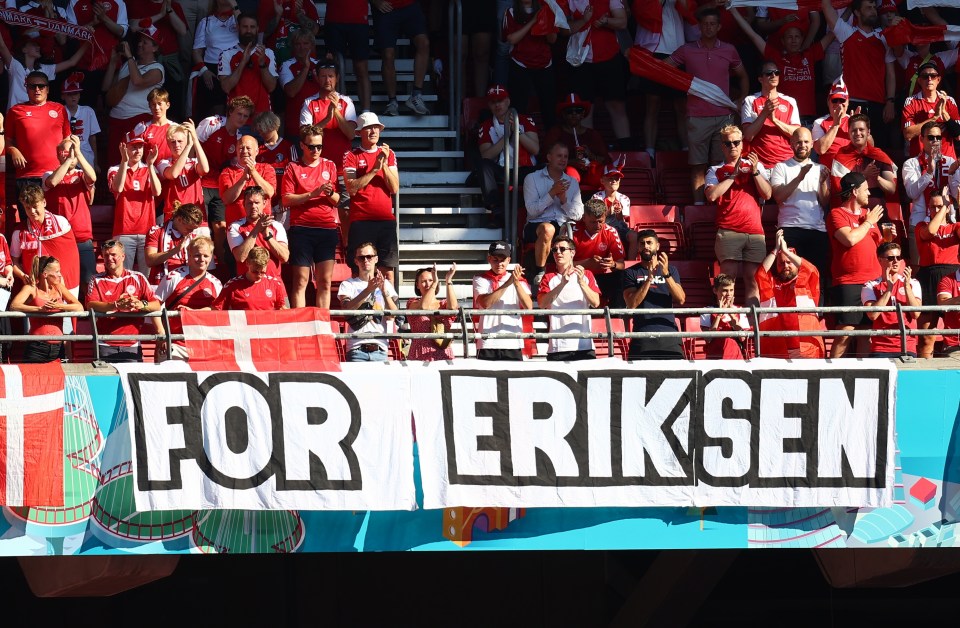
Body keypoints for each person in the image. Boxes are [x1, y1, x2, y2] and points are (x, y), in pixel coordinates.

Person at [666, 8, 748, 203]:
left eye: (712, 24)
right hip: (697, 116)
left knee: (721, 164)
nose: (708, 27)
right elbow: (664, 68)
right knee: (697, 165)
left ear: (719, 26)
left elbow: (743, 76)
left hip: (723, 116)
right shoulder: (687, 49)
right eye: (705, 24)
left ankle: (719, 207)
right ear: (699, 27)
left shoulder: (729, 49)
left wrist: (741, 99)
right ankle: (699, 206)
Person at [704, 125, 773, 305]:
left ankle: (753, 326)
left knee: (753, 280)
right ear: (722, 146)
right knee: (728, 281)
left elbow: (767, 194)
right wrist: (732, 176)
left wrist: (755, 171)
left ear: (742, 144)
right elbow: (711, 195)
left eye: (736, 142)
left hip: (755, 231)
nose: (732, 146)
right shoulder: (715, 170)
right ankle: (725, 323)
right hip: (729, 230)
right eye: (728, 143)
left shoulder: (756, 166)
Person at [729, 7, 833, 125]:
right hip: (784, 117)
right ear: (782, 41)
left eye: (797, 37)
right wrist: (732, 9)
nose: (793, 40)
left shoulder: (810, 55)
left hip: (807, 119)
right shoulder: (776, 57)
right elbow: (753, 35)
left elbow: (835, 31)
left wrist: (849, 8)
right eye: (789, 37)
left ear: (802, 39)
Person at [826, 172, 891, 358]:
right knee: (845, 331)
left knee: (866, 333)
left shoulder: (867, 215)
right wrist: (869, 222)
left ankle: (862, 374)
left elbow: (881, 246)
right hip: (849, 281)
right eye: (865, 190)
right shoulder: (836, 213)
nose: (869, 194)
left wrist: (889, 237)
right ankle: (833, 373)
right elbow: (849, 239)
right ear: (854, 192)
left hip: (872, 280)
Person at [821, 0, 898, 148]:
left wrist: (890, 101)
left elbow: (891, 74)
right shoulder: (846, 32)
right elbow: (826, 6)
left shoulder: (884, 37)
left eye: (874, 7)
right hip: (852, 104)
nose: (873, 11)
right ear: (857, 12)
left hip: (878, 105)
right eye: (868, 8)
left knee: (877, 151)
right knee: (851, 149)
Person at [557, 0, 631, 151]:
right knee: (584, 110)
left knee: (616, 106)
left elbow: (622, 22)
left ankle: (626, 153)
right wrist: (584, 20)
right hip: (579, 60)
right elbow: (563, 30)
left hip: (609, 57)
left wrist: (606, 21)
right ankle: (587, 154)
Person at [282, 123, 341, 309]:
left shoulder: (329, 165)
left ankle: (322, 324)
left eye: (319, 146)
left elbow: (338, 200)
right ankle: (300, 326)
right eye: (311, 146)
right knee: (301, 281)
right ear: (302, 145)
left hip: (326, 229)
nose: (316, 150)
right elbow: (286, 199)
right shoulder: (293, 167)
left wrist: (330, 193)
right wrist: (312, 194)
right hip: (302, 229)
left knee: (325, 281)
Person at [769, 127, 831, 299]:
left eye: (806, 142)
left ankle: (816, 317)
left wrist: (823, 183)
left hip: (816, 230)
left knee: (817, 276)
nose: (802, 145)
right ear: (791, 144)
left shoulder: (821, 168)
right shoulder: (781, 167)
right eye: (798, 142)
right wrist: (799, 177)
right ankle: (791, 318)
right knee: (789, 276)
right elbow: (779, 197)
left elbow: (825, 201)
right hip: (790, 229)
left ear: (812, 144)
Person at [196, 95, 253, 265]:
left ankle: (220, 263)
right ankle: (201, 262)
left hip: (219, 185)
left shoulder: (239, 138)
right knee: (200, 226)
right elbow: (193, 145)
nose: (242, 119)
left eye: (245, 116)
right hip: (200, 181)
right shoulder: (212, 123)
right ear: (229, 112)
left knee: (220, 227)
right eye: (239, 114)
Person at [344, 112, 400, 284]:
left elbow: (395, 187)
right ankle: (361, 309)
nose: (373, 131)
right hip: (361, 220)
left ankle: (388, 310)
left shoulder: (388, 154)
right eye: (368, 128)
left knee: (387, 273)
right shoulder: (351, 155)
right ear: (360, 132)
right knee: (360, 271)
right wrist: (374, 169)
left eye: (376, 127)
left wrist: (383, 165)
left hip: (385, 221)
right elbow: (351, 188)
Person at [85, 239, 161, 362]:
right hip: (105, 344)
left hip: (132, 345)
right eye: (106, 255)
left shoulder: (138, 277)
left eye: (113, 254)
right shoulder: (96, 279)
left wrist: (141, 304)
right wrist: (115, 305)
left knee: (130, 381)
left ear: (123, 256)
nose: (109, 258)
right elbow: (90, 305)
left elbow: (156, 305)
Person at [755, 229, 825, 359]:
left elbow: (811, 269)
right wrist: (776, 249)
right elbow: (760, 274)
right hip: (777, 349)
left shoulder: (806, 284)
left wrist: (786, 251)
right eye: (781, 263)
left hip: (807, 347)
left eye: (789, 262)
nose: (786, 266)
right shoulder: (770, 286)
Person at [474, 84, 539, 224]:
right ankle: (496, 210)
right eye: (493, 102)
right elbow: (486, 155)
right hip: (503, 170)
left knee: (547, 168)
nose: (497, 105)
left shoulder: (524, 120)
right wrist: (506, 136)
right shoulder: (485, 126)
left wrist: (517, 132)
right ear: (489, 105)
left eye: (501, 100)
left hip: (526, 170)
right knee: (483, 165)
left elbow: (535, 149)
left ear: (508, 101)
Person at [101, 27, 165, 166]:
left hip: (139, 119)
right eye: (139, 41)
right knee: (114, 163)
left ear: (155, 48)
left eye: (145, 42)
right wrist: (113, 62)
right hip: (116, 118)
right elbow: (106, 88)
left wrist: (129, 56)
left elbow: (138, 81)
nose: (140, 44)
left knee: (135, 164)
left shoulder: (157, 68)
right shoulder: (127, 65)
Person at [522, 142, 584, 287]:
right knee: (548, 228)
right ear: (549, 157)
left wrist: (563, 200)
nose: (563, 160)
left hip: (563, 225)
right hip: (536, 224)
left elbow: (578, 215)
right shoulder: (532, 178)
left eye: (566, 157)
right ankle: (540, 273)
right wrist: (551, 193)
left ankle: (572, 274)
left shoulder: (572, 182)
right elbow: (532, 211)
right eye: (559, 156)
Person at [152, 233, 222, 361]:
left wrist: (192, 313)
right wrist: (162, 335)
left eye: (206, 256)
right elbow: (154, 306)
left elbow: (217, 311)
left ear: (211, 257)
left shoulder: (216, 284)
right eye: (197, 255)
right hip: (175, 343)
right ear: (189, 256)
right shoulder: (174, 277)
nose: (201, 259)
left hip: (203, 345)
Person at [633, 0, 688, 160]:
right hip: (652, 52)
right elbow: (644, 13)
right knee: (652, 104)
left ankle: (685, 148)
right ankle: (649, 151)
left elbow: (689, 12)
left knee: (681, 105)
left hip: (678, 50)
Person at [42, 135, 97, 293]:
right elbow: (52, 182)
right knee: (59, 281)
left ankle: (88, 316)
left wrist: (78, 153)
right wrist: (68, 160)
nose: (72, 154)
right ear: (59, 154)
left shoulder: (81, 175)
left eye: (73, 150)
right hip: (59, 237)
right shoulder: (48, 174)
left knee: (89, 281)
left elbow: (93, 177)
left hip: (82, 236)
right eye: (68, 151)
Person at [622, 229, 686, 359]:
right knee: (639, 378)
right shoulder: (630, 273)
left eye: (649, 243)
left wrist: (666, 273)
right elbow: (631, 304)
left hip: (669, 333)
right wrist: (649, 279)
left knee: (677, 376)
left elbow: (681, 299)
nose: (645, 246)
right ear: (638, 247)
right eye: (642, 243)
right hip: (642, 334)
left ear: (657, 246)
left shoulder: (671, 270)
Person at [6, 70, 68, 205]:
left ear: (48, 89)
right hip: (27, 175)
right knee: (29, 220)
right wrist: (13, 150)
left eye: (41, 86)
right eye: (32, 86)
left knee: (56, 220)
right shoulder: (15, 111)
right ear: (26, 89)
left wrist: (67, 163)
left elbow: (67, 139)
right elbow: (8, 139)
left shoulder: (59, 109)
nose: (37, 89)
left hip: (55, 174)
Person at [536, 235, 600, 361]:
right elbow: (542, 304)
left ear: (572, 253)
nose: (558, 253)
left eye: (562, 249)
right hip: (558, 347)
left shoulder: (586, 275)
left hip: (584, 346)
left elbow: (596, 302)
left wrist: (581, 282)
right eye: (554, 250)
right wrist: (562, 284)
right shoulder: (548, 277)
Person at [10, 255, 83, 363]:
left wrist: (59, 306)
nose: (60, 275)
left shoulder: (59, 288)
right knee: (33, 379)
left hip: (58, 347)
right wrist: (40, 309)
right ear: (45, 274)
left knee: (58, 379)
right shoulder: (31, 288)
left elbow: (79, 307)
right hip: (36, 347)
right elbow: (14, 306)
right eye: (57, 272)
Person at [10, 184, 80, 298]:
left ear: (44, 203)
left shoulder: (61, 224)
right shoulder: (19, 232)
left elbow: (71, 258)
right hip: (35, 288)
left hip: (63, 285)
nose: (32, 211)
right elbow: (14, 262)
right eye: (27, 207)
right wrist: (23, 276)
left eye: (35, 206)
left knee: (66, 314)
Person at [914, 190, 960, 359]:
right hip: (928, 277)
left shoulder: (955, 227)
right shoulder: (921, 226)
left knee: (955, 331)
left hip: (951, 276)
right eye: (932, 207)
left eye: (939, 206)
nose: (936, 209)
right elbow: (931, 232)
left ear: (948, 208)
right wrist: (944, 208)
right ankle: (925, 371)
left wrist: (955, 206)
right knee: (926, 336)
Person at [109, 132, 162, 274]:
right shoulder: (115, 169)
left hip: (147, 230)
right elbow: (118, 188)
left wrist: (150, 165)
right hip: (124, 230)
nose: (138, 151)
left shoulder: (149, 169)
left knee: (146, 275)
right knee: (124, 273)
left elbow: (157, 192)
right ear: (124, 148)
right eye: (133, 147)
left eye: (140, 147)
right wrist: (124, 162)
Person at [501, 0, 558, 131]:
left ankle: (551, 146)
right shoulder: (511, 12)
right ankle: (518, 144)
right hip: (520, 63)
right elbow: (511, 39)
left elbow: (552, 39)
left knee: (549, 109)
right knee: (519, 108)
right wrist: (533, 21)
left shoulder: (546, 9)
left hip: (544, 63)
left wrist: (547, 19)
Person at [337, 242, 398, 362]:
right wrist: (367, 290)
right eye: (361, 257)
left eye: (369, 257)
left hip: (380, 348)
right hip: (356, 348)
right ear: (356, 261)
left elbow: (393, 315)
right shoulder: (348, 284)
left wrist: (384, 290)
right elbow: (347, 310)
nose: (366, 260)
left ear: (376, 259)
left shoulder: (386, 285)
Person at [472, 240, 533, 361]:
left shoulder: (519, 280)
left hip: (512, 341)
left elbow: (528, 306)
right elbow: (485, 303)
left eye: (503, 260)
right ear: (489, 259)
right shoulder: (480, 279)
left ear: (509, 260)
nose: (499, 263)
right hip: (487, 342)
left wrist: (515, 283)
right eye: (495, 259)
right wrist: (509, 282)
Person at [903, 121, 959, 247]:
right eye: (931, 137)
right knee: (918, 266)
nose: (935, 140)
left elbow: (956, 195)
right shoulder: (912, 163)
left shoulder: (950, 162)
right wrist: (928, 173)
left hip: (947, 222)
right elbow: (912, 193)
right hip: (920, 223)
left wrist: (951, 175)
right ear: (922, 139)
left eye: (938, 137)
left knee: (950, 265)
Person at [299, 59, 358, 176]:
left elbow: (351, 134)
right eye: (323, 76)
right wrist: (327, 119)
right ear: (317, 78)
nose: (327, 80)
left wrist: (335, 110)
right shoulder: (309, 102)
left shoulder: (346, 101)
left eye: (331, 76)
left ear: (337, 78)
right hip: (317, 168)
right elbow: (305, 135)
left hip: (343, 167)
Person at [862, 242, 921, 358]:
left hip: (907, 346)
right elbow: (873, 315)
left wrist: (906, 287)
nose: (895, 261)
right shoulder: (870, 286)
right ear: (880, 260)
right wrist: (889, 289)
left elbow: (916, 314)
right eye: (890, 258)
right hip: (881, 347)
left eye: (898, 257)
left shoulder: (913, 283)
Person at [372, 0, 431, 116]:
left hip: (410, 6)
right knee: (388, 54)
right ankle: (392, 102)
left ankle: (416, 95)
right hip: (386, 7)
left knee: (424, 43)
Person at [541, 93, 608, 195]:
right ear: (563, 114)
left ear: (583, 114)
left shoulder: (592, 134)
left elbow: (605, 160)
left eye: (578, 111)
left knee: (601, 174)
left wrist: (590, 155)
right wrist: (572, 162)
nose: (574, 114)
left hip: (589, 172)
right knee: (570, 174)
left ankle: (600, 205)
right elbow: (546, 158)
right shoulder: (555, 133)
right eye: (569, 111)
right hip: (566, 174)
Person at [0, 30, 87, 108]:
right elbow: (2, 46)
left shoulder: (43, 69)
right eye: (34, 45)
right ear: (24, 49)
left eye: (39, 45)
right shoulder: (15, 65)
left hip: (35, 118)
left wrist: (88, 42)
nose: (38, 48)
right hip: (15, 117)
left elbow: (72, 62)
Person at [740, 60, 801, 168]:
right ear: (760, 79)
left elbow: (796, 134)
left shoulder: (790, 101)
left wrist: (774, 120)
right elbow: (748, 136)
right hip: (760, 164)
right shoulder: (750, 100)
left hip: (787, 163)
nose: (773, 75)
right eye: (769, 73)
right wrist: (764, 114)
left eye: (777, 72)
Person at [217, 12, 278, 114]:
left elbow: (271, 87)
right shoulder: (226, 54)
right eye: (245, 27)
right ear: (238, 28)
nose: (249, 30)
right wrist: (243, 62)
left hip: (263, 118)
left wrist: (262, 64)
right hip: (236, 118)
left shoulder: (268, 53)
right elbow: (226, 87)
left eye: (252, 27)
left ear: (257, 29)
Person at [830, 113, 898, 201]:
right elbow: (840, 190)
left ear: (868, 132)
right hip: (852, 212)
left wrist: (877, 177)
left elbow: (892, 189)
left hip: (878, 211)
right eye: (854, 130)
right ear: (849, 133)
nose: (858, 133)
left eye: (861, 129)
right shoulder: (841, 157)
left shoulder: (878, 156)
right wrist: (864, 175)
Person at [571, 198, 625, 308]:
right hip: (577, 276)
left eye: (601, 221)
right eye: (593, 222)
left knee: (621, 278)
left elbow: (621, 264)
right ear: (584, 218)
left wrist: (612, 264)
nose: (597, 225)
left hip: (602, 277)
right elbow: (562, 265)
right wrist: (587, 264)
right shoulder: (572, 232)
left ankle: (616, 320)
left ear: (605, 217)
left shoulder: (610, 232)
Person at [191, 0, 240, 117]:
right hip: (213, 68)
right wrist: (204, 70)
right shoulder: (206, 21)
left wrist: (235, 6)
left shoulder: (237, 18)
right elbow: (196, 51)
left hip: (236, 67)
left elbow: (247, 31)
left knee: (236, 108)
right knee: (216, 111)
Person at [902, 60, 960, 160]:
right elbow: (907, 134)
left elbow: (958, 135)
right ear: (919, 81)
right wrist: (935, 118)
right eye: (925, 76)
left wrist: (944, 113)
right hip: (920, 161)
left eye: (933, 76)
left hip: (946, 160)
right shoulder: (911, 101)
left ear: (938, 79)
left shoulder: (949, 101)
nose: (929, 79)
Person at [228, 186, 289, 277]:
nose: (253, 206)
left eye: (257, 203)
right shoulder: (235, 227)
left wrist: (267, 235)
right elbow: (240, 257)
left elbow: (284, 257)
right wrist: (256, 230)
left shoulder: (276, 226)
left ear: (264, 203)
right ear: (244, 204)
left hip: (272, 282)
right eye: (250, 203)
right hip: (247, 283)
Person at [144, 203, 211, 285]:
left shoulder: (194, 236)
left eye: (193, 229)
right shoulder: (156, 231)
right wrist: (175, 250)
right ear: (179, 219)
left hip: (185, 283)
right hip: (161, 282)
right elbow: (149, 261)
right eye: (188, 228)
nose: (191, 232)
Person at [323, 0, 372, 113]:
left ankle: (366, 112)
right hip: (334, 19)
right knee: (334, 66)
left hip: (358, 19)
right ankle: (336, 110)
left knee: (361, 67)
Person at [156, 120, 210, 221]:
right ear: (168, 144)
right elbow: (173, 174)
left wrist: (194, 139)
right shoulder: (163, 163)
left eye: (180, 141)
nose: (176, 145)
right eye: (173, 142)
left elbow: (205, 169)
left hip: (196, 216)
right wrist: (188, 147)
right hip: (174, 217)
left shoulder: (193, 162)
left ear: (186, 141)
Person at [218, 134, 277, 225]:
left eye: (248, 148)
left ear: (257, 151)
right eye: (241, 148)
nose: (244, 151)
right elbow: (226, 199)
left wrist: (253, 172)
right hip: (236, 228)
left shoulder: (267, 168)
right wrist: (243, 179)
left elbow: (269, 193)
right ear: (236, 151)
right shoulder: (227, 172)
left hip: (262, 225)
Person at [405, 264, 459, 361]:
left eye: (430, 280)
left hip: (443, 353)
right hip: (419, 353)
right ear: (417, 285)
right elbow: (424, 306)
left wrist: (448, 280)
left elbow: (453, 308)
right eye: (423, 281)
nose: (428, 284)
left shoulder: (443, 304)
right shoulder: (412, 302)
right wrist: (435, 283)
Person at [279, 29, 324, 138]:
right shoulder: (286, 65)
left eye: (305, 43)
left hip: (320, 125)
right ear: (293, 46)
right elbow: (291, 92)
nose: (302, 47)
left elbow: (331, 91)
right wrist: (306, 68)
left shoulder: (320, 65)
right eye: (298, 44)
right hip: (296, 127)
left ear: (312, 46)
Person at [212, 246, 287, 310]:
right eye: (255, 272)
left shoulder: (274, 284)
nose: (259, 275)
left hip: (267, 326)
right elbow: (216, 309)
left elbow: (281, 309)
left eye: (262, 272)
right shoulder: (233, 285)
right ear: (247, 263)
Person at [253, 111, 298, 219]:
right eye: (259, 131)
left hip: (284, 204)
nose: (261, 134)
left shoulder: (288, 147)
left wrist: (286, 197)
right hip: (265, 203)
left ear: (272, 126)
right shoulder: (258, 150)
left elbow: (295, 175)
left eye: (263, 130)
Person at [592, 162, 637, 260]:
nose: (614, 181)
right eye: (610, 178)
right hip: (602, 228)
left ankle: (630, 266)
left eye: (617, 179)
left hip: (620, 228)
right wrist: (608, 212)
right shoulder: (597, 197)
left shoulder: (624, 198)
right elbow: (595, 219)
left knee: (634, 235)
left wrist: (619, 213)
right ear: (602, 180)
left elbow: (623, 221)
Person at [701, 274, 750, 360]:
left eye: (731, 290)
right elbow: (708, 339)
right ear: (715, 290)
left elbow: (742, 338)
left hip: (735, 357)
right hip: (715, 357)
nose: (729, 294)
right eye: (725, 290)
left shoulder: (740, 310)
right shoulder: (707, 311)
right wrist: (719, 314)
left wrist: (731, 313)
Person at [60, 72, 101, 172]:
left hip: (86, 155)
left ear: (79, 95)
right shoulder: (58, 111)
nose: (73, 97)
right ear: (63, 96)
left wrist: (95, 163)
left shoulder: (88, 111)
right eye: (69, 94)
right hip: (65, 157)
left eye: (76, 93)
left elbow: (93, 138)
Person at [812, 79, 856, 172]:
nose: (838, 104)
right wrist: (835, 124)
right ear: (828, 102)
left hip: (851, 170)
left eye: (842, 100)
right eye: (835, 100)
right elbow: (820, 150)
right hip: (828, 172)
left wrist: (857, 128)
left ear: (848, 102)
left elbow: (869, 146)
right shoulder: (819, 122)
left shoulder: (855, 120)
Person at [137, 88, 178, 167]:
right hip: (151, 174)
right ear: (149, 106)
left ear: (167, 105)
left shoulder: (176, 128)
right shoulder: (142, 127)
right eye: (153, 104)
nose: (156, 108)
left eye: (159, 104)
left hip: (172, 174)